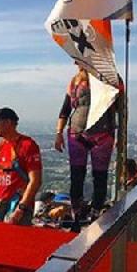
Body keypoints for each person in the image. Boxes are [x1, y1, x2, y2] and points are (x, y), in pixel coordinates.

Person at [54, 66, 119, 231]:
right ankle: (77, 216)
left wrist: (121, 136)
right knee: (77, 177)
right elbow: (65, 109)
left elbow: (121, 109)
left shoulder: (112, 79)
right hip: (77, 133)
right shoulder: (75, 81)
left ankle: (95, 215)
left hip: (102, 134)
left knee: (100, 176)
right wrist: (59, 132)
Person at [0, 108, 42, 225]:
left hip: (17, 204)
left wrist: (21, 208)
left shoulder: (27, 145)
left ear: (8, 122)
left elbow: (35, 180)